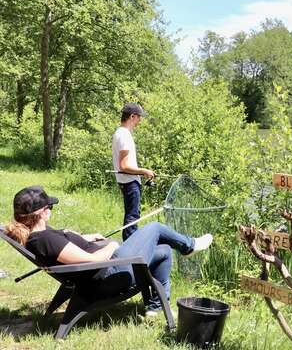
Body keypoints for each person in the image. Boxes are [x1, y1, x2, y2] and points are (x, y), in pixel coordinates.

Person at [3, 186, 213, 316]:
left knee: (164, 250)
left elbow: (63, 246)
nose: (51, 210)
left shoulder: (36, 233)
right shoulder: (45, 240)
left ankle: (156, 307)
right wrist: (113, 246)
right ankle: (189, 246)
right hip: (110, 276)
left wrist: (85, 237)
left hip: (106, 270)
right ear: (39, 213)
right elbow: (89, 260)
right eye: (49, 207)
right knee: (155, 228)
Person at [112, 102, 155, 240]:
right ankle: (130, 252)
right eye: (139, 117)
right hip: (130, 183)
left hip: (127, 182)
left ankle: (128, 250)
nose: (140, 121)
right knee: (132, 219)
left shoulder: (119, 133)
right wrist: (144, 171)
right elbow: (123, 166)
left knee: (131, 217)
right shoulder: (124, 135)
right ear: (132, 116)